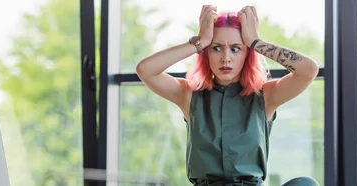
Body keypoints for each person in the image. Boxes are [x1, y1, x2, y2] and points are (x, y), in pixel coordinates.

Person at [135, 5, 320, 186]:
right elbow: (145, 69)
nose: (226, 57)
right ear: (206, 53)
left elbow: (309, 69)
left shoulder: (266, 96)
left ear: (247, 54)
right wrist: (200, 41)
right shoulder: (189, 95)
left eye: (235, 48)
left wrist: (256, 42)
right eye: (216, 48)